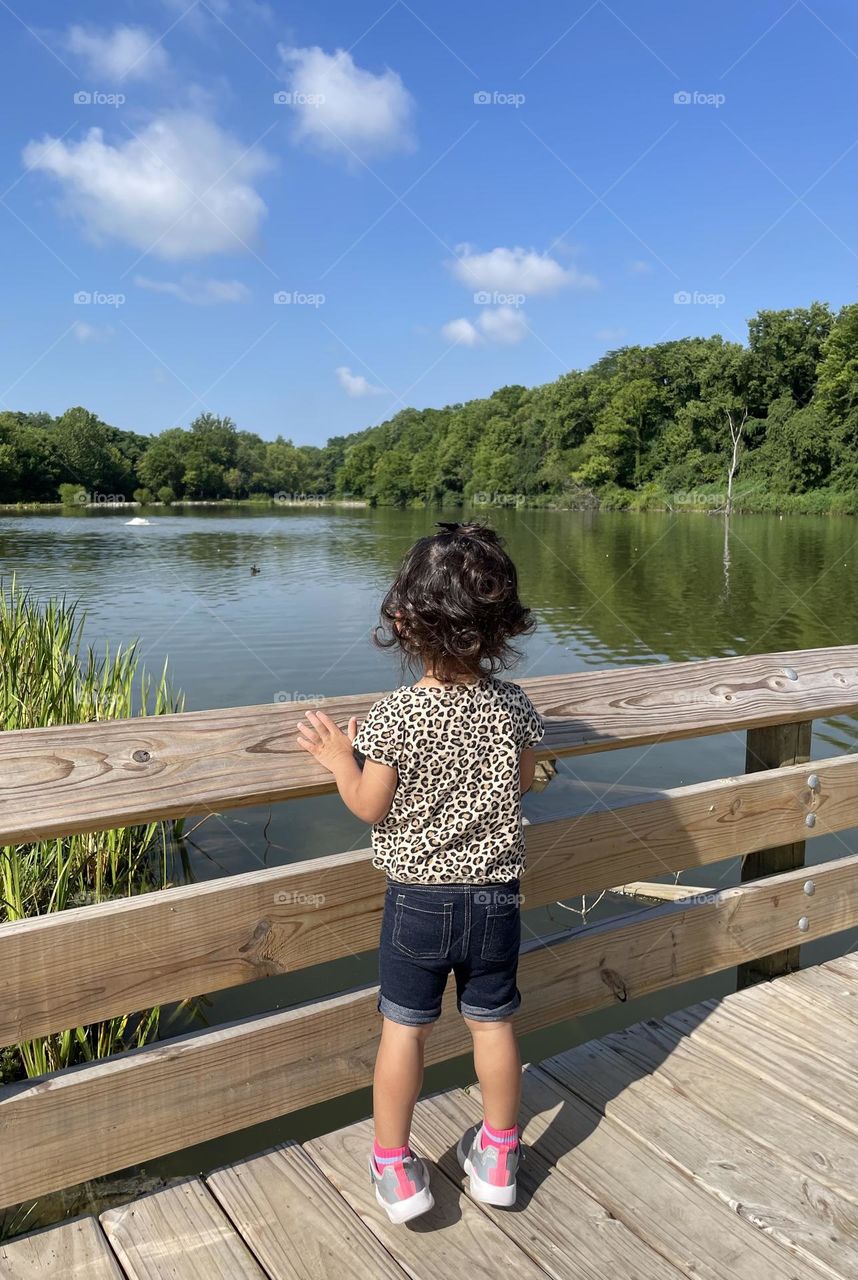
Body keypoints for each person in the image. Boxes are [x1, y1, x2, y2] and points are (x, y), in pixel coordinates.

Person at [296, 521, 545, 1224]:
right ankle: (497, 1156)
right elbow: (524, 779)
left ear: (405, 621)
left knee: (405, 1031)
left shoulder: (396, 714)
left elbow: (372, 807)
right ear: (500, 625)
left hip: (418, 904)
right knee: (492, 1025)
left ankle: (397, 1168)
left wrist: (340, 759)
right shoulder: (514, 705)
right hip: (496, 900)